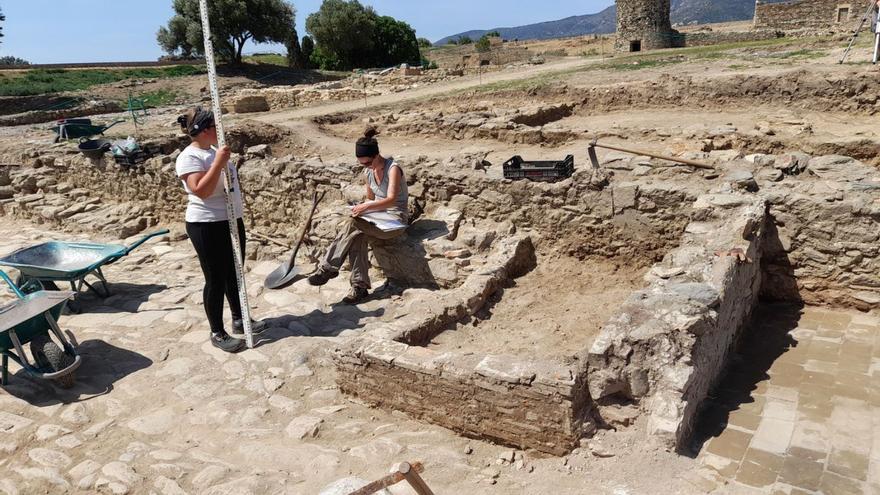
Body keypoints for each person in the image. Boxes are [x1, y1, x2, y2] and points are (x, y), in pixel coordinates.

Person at [175, 107, 264, 353]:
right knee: (215, 280)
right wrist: (218, 163)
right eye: (216, 126)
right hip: (206, 224)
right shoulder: (189, 157)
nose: (220, 131)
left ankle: (239, 318)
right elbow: (201, 191)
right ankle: (217, 332)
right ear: (204, 130)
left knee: (234, 273)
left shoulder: (214, 151)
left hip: (231, 220)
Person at [308, 127, 408, 304]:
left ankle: (328, 268)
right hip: (379, 217)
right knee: (357, 232)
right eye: (362, 164)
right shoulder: (368, 172)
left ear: (376, 156)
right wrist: (361, 208)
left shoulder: (393, 169)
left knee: (353, 224)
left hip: (395, 219)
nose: (365, 167)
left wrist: (365, 209)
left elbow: (391, 200)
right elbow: (370, 199)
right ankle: (359, 286)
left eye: (367, 163)